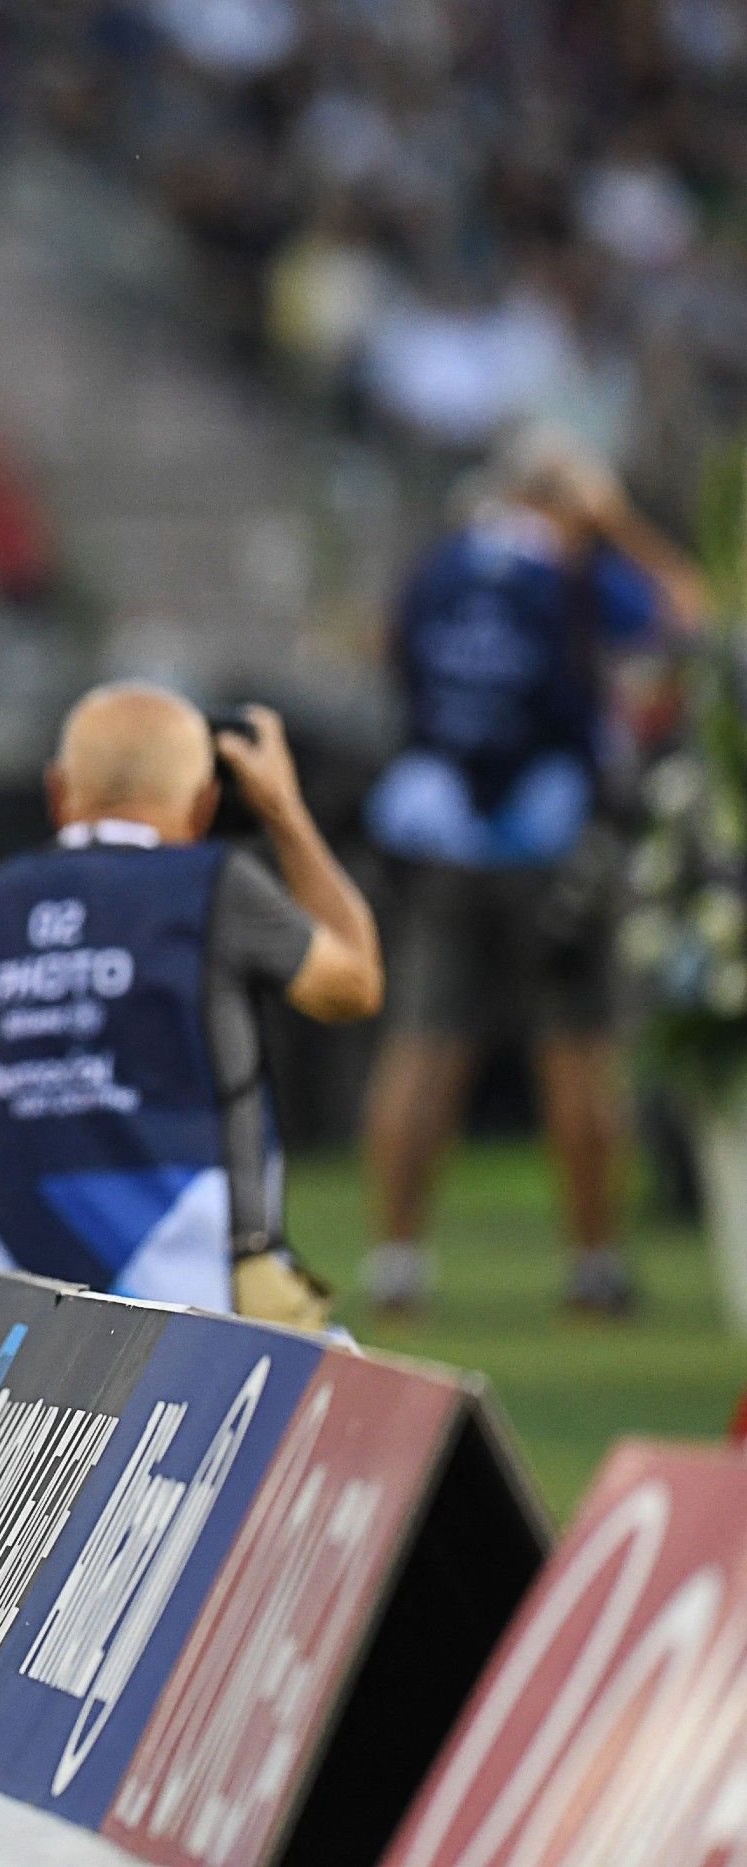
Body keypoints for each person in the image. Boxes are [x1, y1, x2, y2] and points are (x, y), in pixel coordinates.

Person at [360, 427, 706, 1316]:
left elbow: (382, 653)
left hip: (441, 836)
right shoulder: (576, 570)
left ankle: (397, 1260)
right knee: (580, 1050)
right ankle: (594, 1263)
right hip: (553, 839)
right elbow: (690, 614)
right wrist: (619, 523)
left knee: (423, 1044)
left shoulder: (442, 565)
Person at [0, 685, 383, 1325]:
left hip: (13, 1254)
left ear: (56, 793)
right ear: (207, 803)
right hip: (191, 1260)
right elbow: (354, 987)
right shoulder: (212, 882)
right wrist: (286, 811)